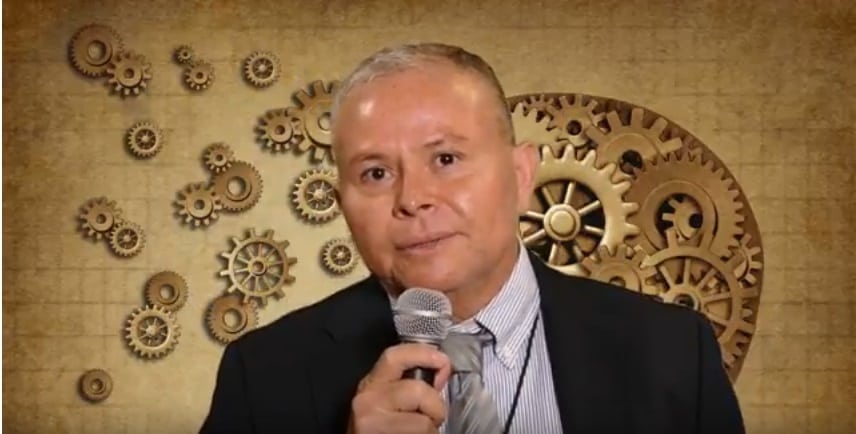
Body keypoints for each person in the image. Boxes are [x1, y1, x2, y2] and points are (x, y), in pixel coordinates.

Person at [199, 42, 745, 434]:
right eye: (376, 173)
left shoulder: (672, 352)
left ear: (522, 176)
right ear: (343, 205)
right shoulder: (264, 375)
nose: (413, 198)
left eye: (446, 159)